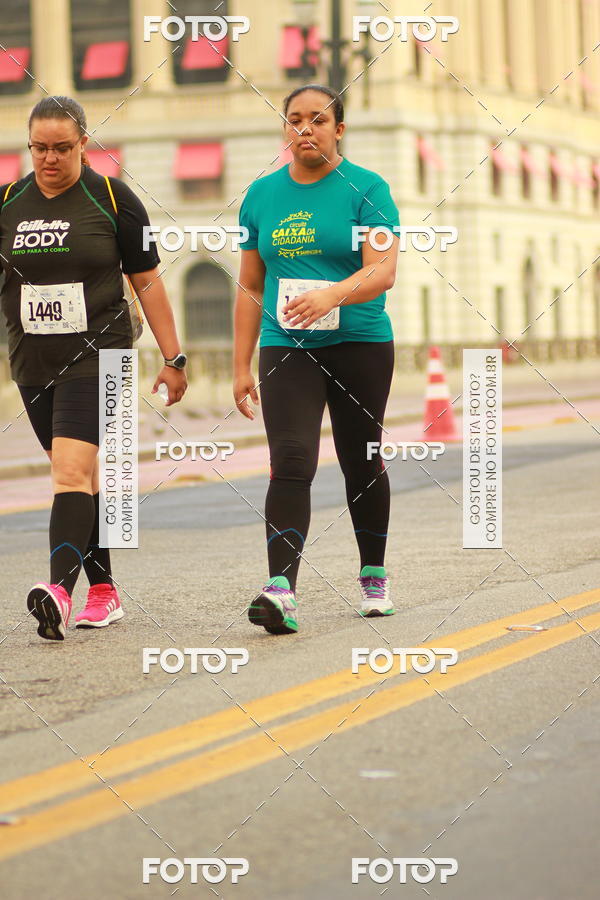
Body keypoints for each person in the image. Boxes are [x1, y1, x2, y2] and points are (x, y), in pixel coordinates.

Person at [0, 96, 188, 641]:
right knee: (75, 481)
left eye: (62, 147)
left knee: (70, 472)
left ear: (84, 143)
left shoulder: (113, 198)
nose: (50, 158)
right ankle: (104, 591)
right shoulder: (8, 203)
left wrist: (173, 357)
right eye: (40, 148)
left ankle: (59, 591)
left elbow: (147, 280)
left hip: (101, 357)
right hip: (33, 361)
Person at [233, 84, 399, 635]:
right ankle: (281, 590)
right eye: (295, 120)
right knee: (291, 460)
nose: (305, 129)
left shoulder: (367, 188)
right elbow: (250, 285)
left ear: (339, 130)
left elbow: (383, 271)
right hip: (287, 345)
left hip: (360, 344)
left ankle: (373, 576)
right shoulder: (260, 195)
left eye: (318, 119)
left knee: (360, 458)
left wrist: (332, 294)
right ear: (286, 129)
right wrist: (240, 366)